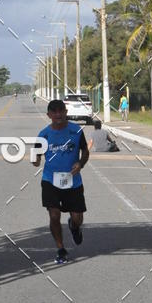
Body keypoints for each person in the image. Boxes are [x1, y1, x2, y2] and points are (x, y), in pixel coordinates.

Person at [33, 99, 89, 264]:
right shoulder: (43, 135)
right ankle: (61, 249)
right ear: (49, 115)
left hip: (73, 181)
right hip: (50, 180)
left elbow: (85, 151)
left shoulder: (76, 130)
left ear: (65, 112)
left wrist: (81, 163)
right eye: (54, 112)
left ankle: (74, 226)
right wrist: (35, 160)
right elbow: (36, 158)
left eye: (61, 111)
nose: (58, 115)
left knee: (78, 217)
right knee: (54, 215)